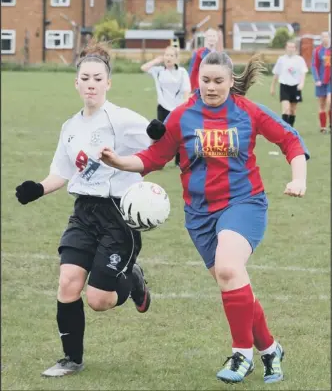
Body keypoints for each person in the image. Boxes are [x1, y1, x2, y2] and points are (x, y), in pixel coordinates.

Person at [99, 51, 309, 385]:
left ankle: (242, 354)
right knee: (233, 281)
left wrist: (299, 178)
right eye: (205, 81)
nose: (211, 88)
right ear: (198, 79)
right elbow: (154, 157)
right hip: (199, 215)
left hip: (244, 203)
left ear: (230, 81)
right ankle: (270, 349)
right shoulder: (183, 116)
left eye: (219, 81)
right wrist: (118, 161)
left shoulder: (247, 112)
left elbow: (290, 140)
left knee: (228, 268)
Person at [15, 40, 152, 377]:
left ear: (108, 83)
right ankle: (71, 359)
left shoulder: (120, 119)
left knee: (99, 300)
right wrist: (38, 189)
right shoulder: (70, 127)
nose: (91, 84)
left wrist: (157, 133)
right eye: (85, 78)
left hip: (118, 215)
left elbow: (154, 142)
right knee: (67, 284)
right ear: (76, 82)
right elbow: (61, 172)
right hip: (83, 213)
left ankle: (133, 279)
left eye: (97, 78)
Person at [141, 46, 191, 166]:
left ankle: (179, 160)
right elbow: (143, 68)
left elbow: (186, 91)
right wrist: (156, 61)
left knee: (179, 134)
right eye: (166, 55)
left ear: (176, 58)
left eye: (171, 55)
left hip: (178, 108)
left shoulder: (182, 72)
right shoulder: (158, 71)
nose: (168, 58)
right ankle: (156, 158)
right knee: (159, 134)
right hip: (163, 107)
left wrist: (184, 107)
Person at [270, 40, 308, 127]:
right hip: (284, 86)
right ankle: (285, 129)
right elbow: (276, 74)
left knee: (293, 110)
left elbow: (303, 73)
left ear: (295, 49)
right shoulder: (281, 59)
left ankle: (291, 128)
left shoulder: (300, 60)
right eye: (289, 47)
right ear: (286, 48)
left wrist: (302, 83)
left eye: (292, 47)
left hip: (295, 87)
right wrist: (272, 87)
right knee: (286, 109)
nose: (290, 49)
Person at [188, 27, 223, 91]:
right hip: (200, 87)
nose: (211, 38)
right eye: (209, 36)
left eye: (213, 36)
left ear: (217, 38)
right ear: (206, 38)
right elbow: (193, 71)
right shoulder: (198, 53)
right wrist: (190, 88)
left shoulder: (220, 55)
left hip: (215, 87)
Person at [311, 31, 331, 133]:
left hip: (330, 82)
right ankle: (323, 127)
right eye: (322, 37)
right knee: (322, 104)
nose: (324, 38)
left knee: (329, 101)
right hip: (321, 82)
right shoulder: (317, 50)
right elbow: (314, 66)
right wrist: (317, 79)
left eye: (326, 37)